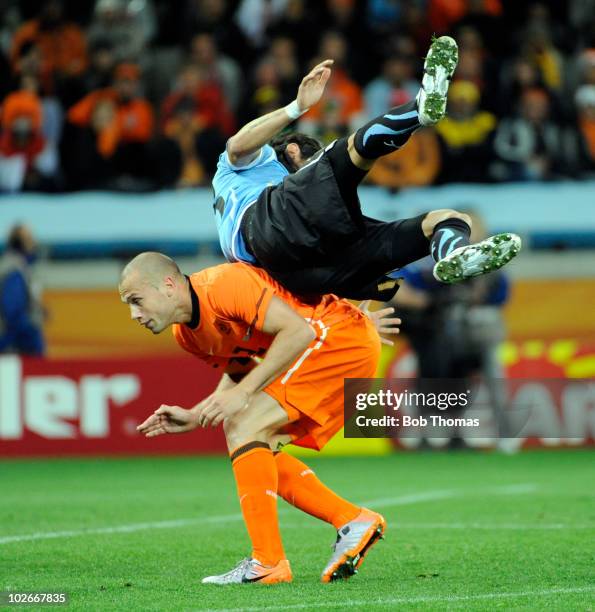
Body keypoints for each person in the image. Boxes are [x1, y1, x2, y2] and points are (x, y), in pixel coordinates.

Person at [121, 251, 400, 585]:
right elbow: (241, 369)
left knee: (243, 424)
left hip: (334, 340)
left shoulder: (223, 284)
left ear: (167, 285)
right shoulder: (187, 336)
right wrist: (196, 415)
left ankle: (268, 562)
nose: (134, 314)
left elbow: (298, 332)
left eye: (136, 301)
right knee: (255, 442)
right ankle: (352, 519)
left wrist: (243, 395)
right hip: (334, 343)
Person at [212, 36, 521, 303]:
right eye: (309, 163)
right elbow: (237, 146)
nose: (315, 175)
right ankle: (418, 111)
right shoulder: (252, 166)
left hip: (300, 271)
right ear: (292, 151)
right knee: (349, 151)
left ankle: (450, 254)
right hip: (272, 233)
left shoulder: (280, 205)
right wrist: (297, 107)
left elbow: (340, 283)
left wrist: (366, 292)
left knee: (447, 220)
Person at [0, 224, 46, 355]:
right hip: (15, 351)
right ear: (20, 243)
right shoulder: (14, 271)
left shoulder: (20, 269)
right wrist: (32, 339)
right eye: (30, 238)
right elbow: (13, 313)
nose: (34, 242)